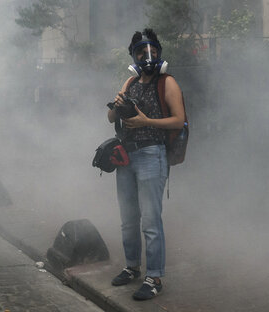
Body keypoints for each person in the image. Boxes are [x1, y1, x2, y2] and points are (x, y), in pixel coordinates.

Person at [106, 28, 185, 300]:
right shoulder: (130, 82)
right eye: (141, 51)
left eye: (151, 50)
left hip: (152, 155)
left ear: (159, 53)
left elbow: (179, 120)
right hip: (126, 157)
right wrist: (117, 106)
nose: (146, 56)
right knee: (128, 219)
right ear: (134, 55)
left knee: (151, 220)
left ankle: (154, 277)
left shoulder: (168, 83)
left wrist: (146, 122)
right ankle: (132, 267)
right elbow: (109, 117)